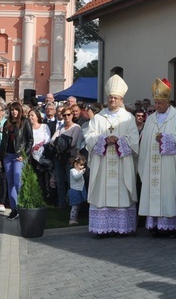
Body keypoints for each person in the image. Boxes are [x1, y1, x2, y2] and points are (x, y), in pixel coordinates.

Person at [84, 75, 139, 237]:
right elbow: (89, 136)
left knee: (122, 190)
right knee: (102, 193)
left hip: (121, 163)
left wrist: (120, 141)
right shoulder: (99, 117)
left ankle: (123, 228)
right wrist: (103, 140)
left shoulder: (128, 118)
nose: (112, 100)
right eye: (110, 97)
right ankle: (102, 228)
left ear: (121, 99)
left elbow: (134, 140)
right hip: (103, 162)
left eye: (115, 97)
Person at [138, 78, 176, 238]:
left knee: (169, 192)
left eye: (160, 102)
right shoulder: (151, 119)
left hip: (170, 163)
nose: (157, 106)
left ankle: (173, 227)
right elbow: (145, 141)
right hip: (153, 164)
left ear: (168, 101)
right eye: (156, 102)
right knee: (153, 192)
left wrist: (166, 139)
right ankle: (154, 224)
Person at [2, 101, 32, 220]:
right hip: (8, 156)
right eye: (12, 110)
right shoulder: (6, 123)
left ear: (20, 111)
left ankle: (22, 207)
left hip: (19, 156)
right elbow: (3, 142)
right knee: (10, 183)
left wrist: (24, 154)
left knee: (18, 181)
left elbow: (30, 139)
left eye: (16, 110)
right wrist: (1, 157)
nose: (14, 112)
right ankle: (14, 209)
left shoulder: (25, 122)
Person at [50, 106, 82, 208]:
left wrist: (60, 141)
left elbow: (72, 143)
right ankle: (61, 204)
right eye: (64, 115)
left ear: (72, 115)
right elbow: (52, 140)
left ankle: (72, 205)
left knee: (70, 182)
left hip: (70, 158)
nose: (66, 117)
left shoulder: (76, 127)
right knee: (59, 182)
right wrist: (62, 142)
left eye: (69, 114)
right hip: (59, 157)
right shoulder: (61, 127)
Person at [28, 109, 51, 201]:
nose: (30, 117)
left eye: (32, 115)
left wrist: (39, 146)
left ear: (37, 116)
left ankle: (42, 197)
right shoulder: (27, 127)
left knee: (41, 178)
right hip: (30, 155)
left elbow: (47, 140)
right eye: (29, 115)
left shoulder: (44, 126)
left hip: (41, 156)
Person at [68, 154, 87, 225]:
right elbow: (76, 177)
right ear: (75, 164)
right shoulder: (72, 171)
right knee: (74, 206)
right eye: (81, 165)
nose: (82, 167)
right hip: (75, 190)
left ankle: (75, 218)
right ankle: (72, 219)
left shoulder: (78, 171)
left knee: (78, 205)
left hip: (80, 189)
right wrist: (82, 172)